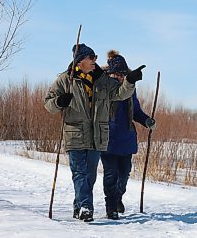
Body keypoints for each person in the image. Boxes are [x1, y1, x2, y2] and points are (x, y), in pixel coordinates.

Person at [44, 43, 145, 222]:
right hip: (75, 133)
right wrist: (60, 101)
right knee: (79, 172)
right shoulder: (65, 80)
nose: (95, 61)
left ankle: (79, 204)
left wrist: (130, 81)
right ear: (80, 60)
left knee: (89, 175)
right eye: (91, 57)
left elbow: (121, 93)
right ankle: (86, 207)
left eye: (95, 57)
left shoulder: (102, 80)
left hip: (98, 136)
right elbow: (49, 104)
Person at [100, 50, 156, 220]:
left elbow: (136, 111)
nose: (119, 77)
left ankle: (118, 197)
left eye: (122, 74)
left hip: (126, 139)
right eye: (116, 74)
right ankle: (111, 207)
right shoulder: (104, 88)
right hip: (108, 139)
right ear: (110, 73)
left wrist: (146, 120)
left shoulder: (131, 90)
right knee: (111, 175)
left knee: (124, 175)